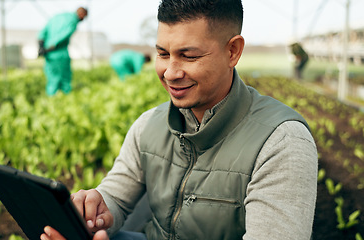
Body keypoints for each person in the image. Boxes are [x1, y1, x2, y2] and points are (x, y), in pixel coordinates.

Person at [41, 0, 318, 239]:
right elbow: (116, 197)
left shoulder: (281, 142)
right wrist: (98, 212)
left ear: (232, 51)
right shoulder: (148, 124)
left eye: (189, 56)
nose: (170, 72)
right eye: (163, 53)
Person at [38, 7, 88, 96]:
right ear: (81, 14)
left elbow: (43, 32)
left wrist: (41, 47)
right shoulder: (73, 21)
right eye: (84, 17)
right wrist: (49, 48)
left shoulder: (57, 17)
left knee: (52, 78)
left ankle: (51, 100)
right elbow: (63, 37)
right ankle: (66, 100)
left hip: (49, 55)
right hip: (60, 54)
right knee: (65, 80)